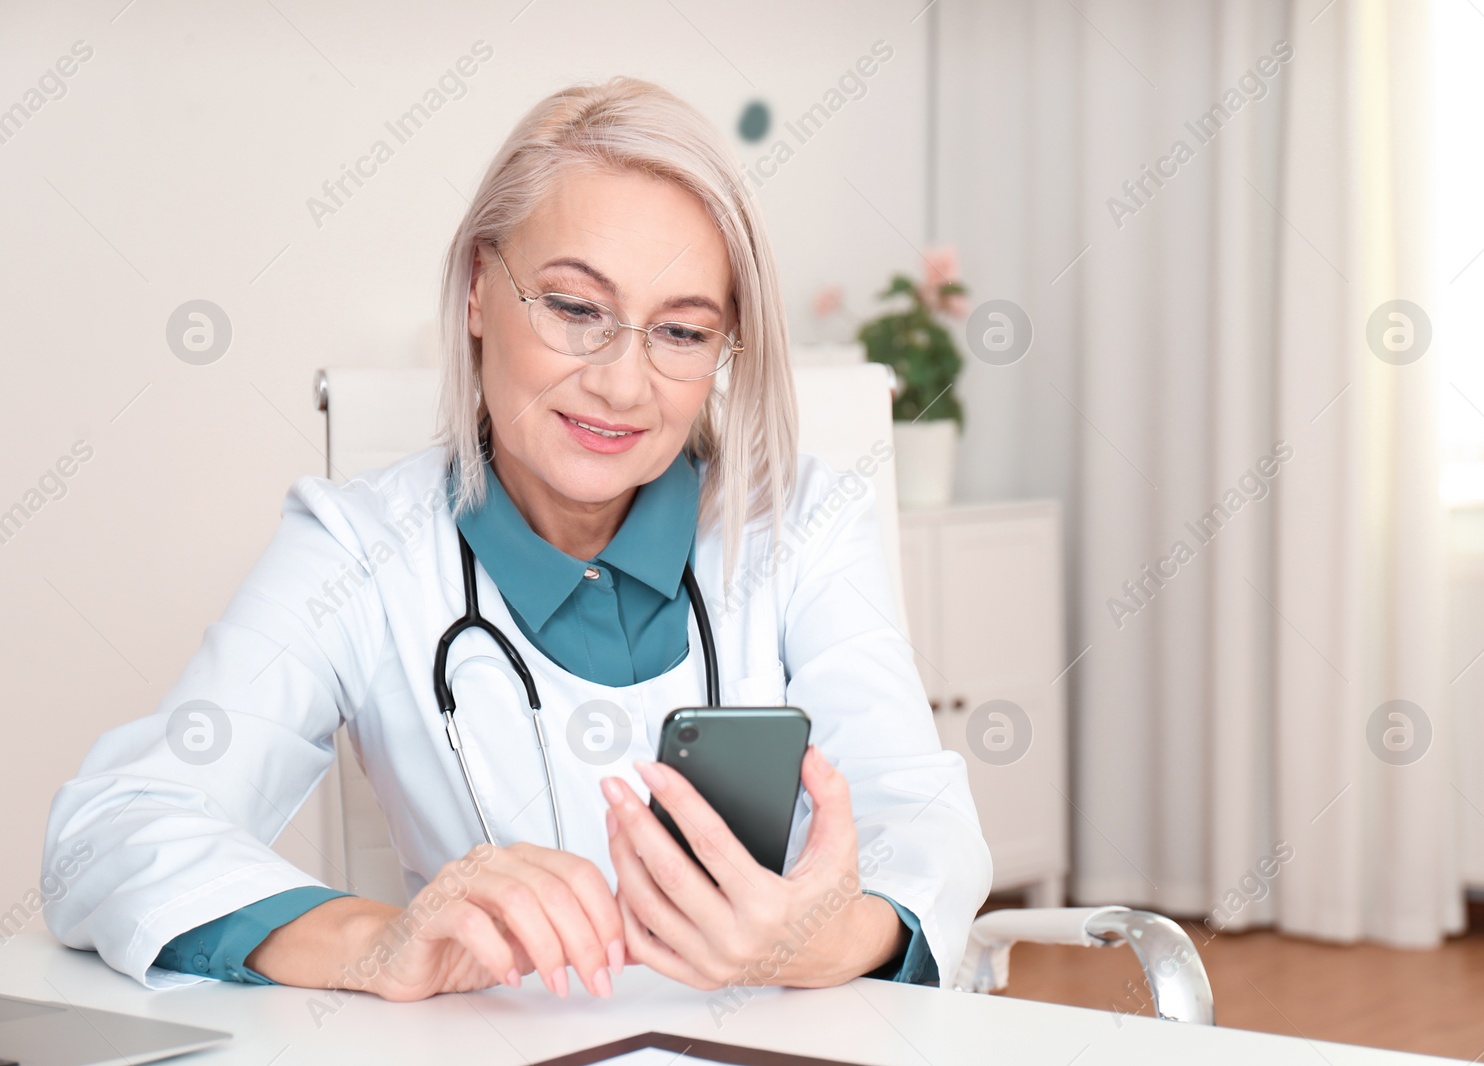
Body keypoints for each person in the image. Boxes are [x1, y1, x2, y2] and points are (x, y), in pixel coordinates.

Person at [41, 76, 990, 1001]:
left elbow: (923, 822)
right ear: (475, 291)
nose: (625, 385)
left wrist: (831, 936)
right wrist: (378, 942)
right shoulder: (357, 547)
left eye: (683, 332)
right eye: (577, 310)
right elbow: (112, 831)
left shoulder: (804, 523)